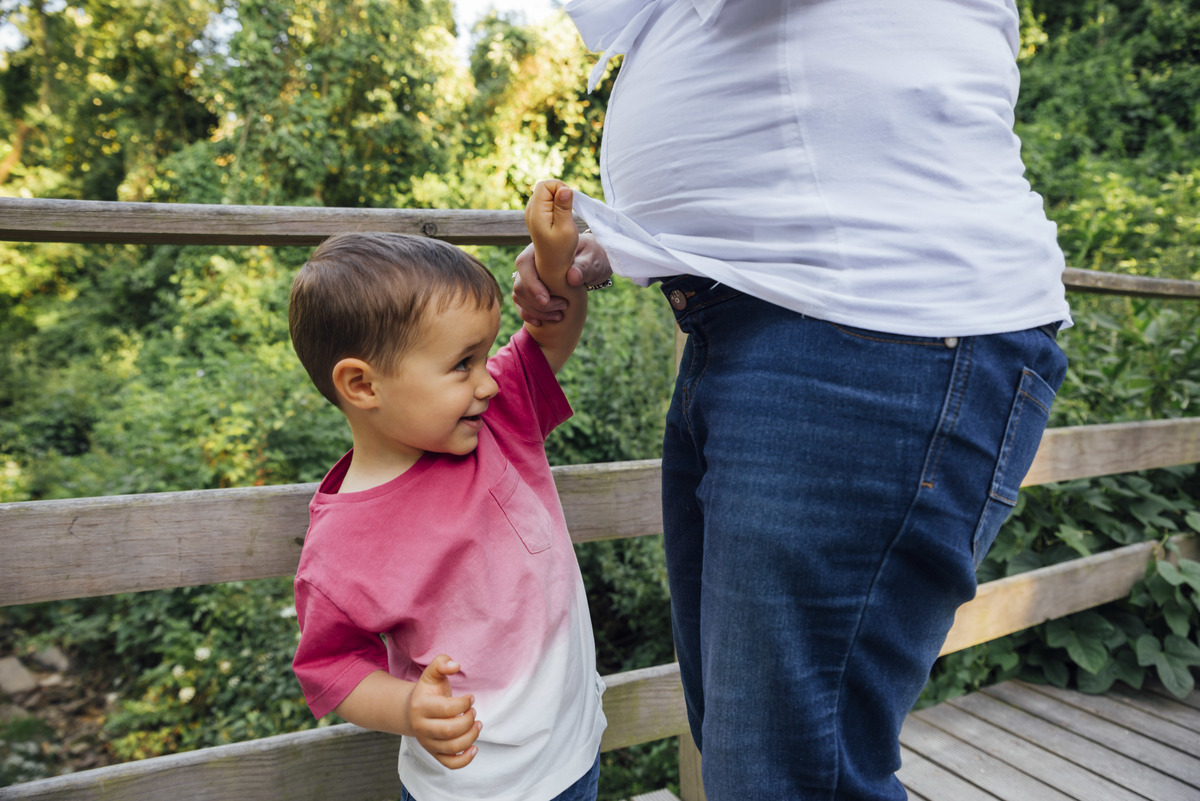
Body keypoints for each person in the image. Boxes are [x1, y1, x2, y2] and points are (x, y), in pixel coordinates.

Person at [513, 2, 1072, 798]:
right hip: (762, 321)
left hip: (873, 326)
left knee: (788, 770)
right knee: (753, 754)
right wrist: (633, 246)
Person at [288, 180, 606, 801]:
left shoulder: (495, 420)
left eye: (486, 357)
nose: (487, 381)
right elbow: (333, 668)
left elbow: (548, 334)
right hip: (469, 788)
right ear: (362, 385)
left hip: (572, 753)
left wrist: (549, 261)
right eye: (463, 364)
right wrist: (408, 707)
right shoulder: (340, 545)